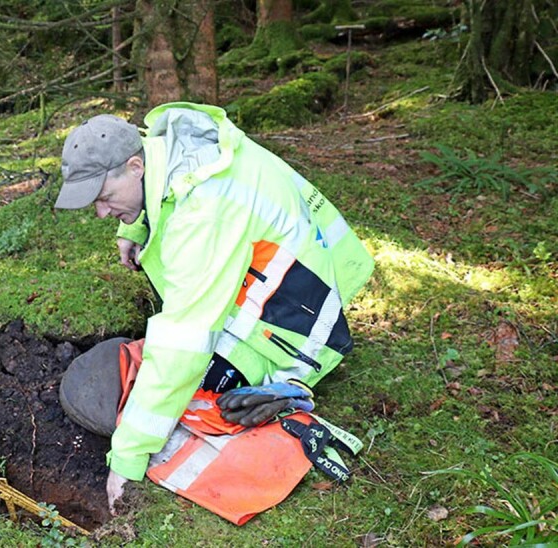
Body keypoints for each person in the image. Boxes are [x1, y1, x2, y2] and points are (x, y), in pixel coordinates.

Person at [54, 102, 375, 513]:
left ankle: (284, 385)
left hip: (292, 321)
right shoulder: (174, 151)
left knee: (192, 393)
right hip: (290, 274)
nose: (100, 212)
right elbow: (162, 199)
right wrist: (134, 224)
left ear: (135, 167)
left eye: (104, 197)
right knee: (142, 380)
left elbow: (184, 342)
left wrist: (128, 457)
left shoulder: (205, 211)